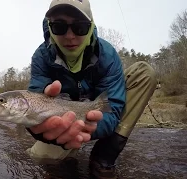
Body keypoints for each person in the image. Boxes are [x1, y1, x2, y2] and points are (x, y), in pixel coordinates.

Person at [25, 0, 157, 179]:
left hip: (95, 115)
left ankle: (103, 155)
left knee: (144, 73)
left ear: (91, 26)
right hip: (62, 121)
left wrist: (86, 129)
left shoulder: (108, 55)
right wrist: (37, 127)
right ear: (49, 27)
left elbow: (113, 110)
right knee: (41, 158)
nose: (70, 36)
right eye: (59, 27)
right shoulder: (41, 57)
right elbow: (33, 104)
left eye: (80, 27)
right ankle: (67, 152)